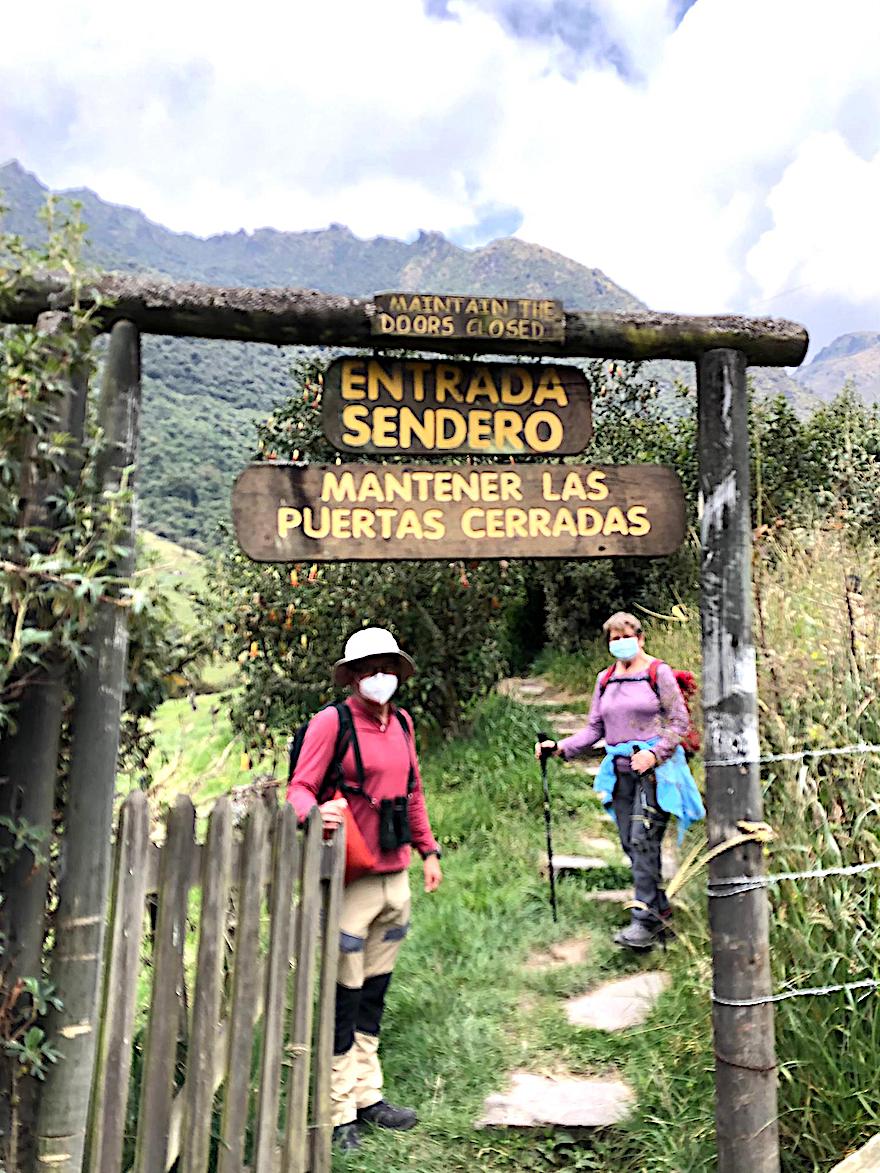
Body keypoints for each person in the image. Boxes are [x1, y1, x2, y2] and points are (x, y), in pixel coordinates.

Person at [287, 627, 443, 1153]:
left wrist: (429, 851)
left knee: (374, 994)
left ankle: (368, 1096)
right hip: (351, 876)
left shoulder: (401, 722)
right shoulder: (330, 723)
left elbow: (413, 789)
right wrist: (317, 813)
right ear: (353, 675)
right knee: (343, 996)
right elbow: (299, 790)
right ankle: (337, 1111)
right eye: (369, 667)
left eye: (387, 666)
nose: (380, 676)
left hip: (394, 875)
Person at [535, 612, 704, 951]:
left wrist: (654, 754)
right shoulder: (605, 680)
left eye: (625, 636)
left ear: (640, 638)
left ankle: (642, 921)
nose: (619, 642)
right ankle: (660, 914)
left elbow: (679, 721)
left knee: (643, 840)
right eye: (613, 638)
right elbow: (595, 729)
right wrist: (560, 748)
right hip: (621, 773)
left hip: (657, 774)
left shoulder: (658, 673)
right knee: (631, 843)